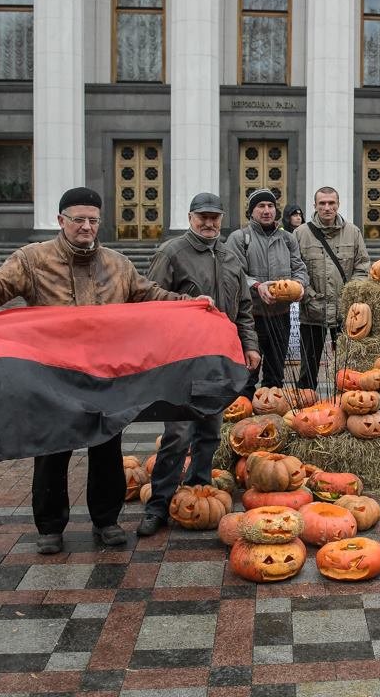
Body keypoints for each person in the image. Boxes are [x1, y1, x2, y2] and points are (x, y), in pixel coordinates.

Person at [0, 187, 194, 554]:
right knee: (52, 451)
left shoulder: (117, 264)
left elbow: (149, 294)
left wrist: (187, 305)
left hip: (104, 377)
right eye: (79, 220)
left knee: (107, 450)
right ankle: (50, 527)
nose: (86, 227)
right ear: (61, 221)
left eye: (93, 220)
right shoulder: (32, 259)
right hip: (52, 377)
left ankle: (106, 521)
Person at [137, 193, 262, 537]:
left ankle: (197, 490)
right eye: (202, 217)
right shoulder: (171, 253)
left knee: (209, 429)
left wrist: (249, 346)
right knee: (177, 434)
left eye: (215, 218)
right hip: (181, 359)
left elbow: (244, 311)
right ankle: (158, 505)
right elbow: (149, 300)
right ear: (190, 217)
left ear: (222, 219)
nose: (209, 223)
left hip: (217, 359)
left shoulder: (230, 256)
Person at [227, 188, 309, 399]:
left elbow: (299, 267)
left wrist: (299, 285)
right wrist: (257, 286)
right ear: (251, 211)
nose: (266, 211)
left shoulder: (287, 238)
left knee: (275, 373)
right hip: (250, 317)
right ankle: (243, 416)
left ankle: (270, 415)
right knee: (247, 372)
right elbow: (234, 273)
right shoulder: (239, 238)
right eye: (260, 206)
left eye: (270, 206)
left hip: (280, 315)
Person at [295, 187, 370, 390]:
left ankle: (345, 403)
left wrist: (349, 295)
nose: (327, 207)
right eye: (322, 203)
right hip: (312, 312)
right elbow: (295, 268)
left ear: (338, 205)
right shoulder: (300, 234)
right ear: (315, 206)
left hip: (344, 313)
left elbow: (362, 267)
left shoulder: (353, 232)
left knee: (346, 366)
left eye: (331, 203)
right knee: (308, 367)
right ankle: (307, 407)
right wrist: (309, 296)